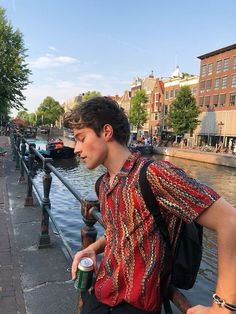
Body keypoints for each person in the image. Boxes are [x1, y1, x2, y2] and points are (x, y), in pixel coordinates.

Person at [63, 96, 236, 314]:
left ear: (106, 132)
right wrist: (92, 249)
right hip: (101, 293)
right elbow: (119, 231)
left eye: (81, 138)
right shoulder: (104, 183)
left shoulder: (155, 174)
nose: (76, 149)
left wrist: (221, 308)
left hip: (136, 306)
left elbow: (230, 221)